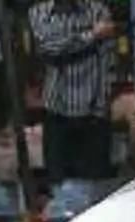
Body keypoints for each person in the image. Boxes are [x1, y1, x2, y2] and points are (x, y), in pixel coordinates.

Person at [28, 0, 115, 185]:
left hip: (93, 114)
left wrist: (101, 109)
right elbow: (49, 48)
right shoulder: (40, 13)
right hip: (57, 112)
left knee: (94, 189)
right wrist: (91, 35)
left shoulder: (97, 10)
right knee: (58, 187)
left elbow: (106, 60)